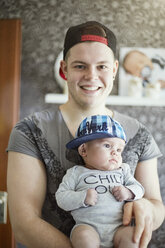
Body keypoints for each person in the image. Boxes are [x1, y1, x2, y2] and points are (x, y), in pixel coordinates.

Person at [7, 21, 164, 248]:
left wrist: (148, 208)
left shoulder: (139, 133)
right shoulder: (29, 131)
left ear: (114, 70)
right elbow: (24, 223)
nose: (91, 76)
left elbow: (157, 206)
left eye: (102, 66)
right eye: (80, 66)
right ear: (64, 69)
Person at [56, 114, 145, 248]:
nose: (115, 152)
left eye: (119, 149)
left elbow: (139, 188)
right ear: (84, 150)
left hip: (119, 227)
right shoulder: (75, 172)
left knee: (133, 238)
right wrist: (83, 197)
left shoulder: (123, 170)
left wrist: (128, 192)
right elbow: (61, 197)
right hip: (87, 227)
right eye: (108, 146)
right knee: (83, 237)